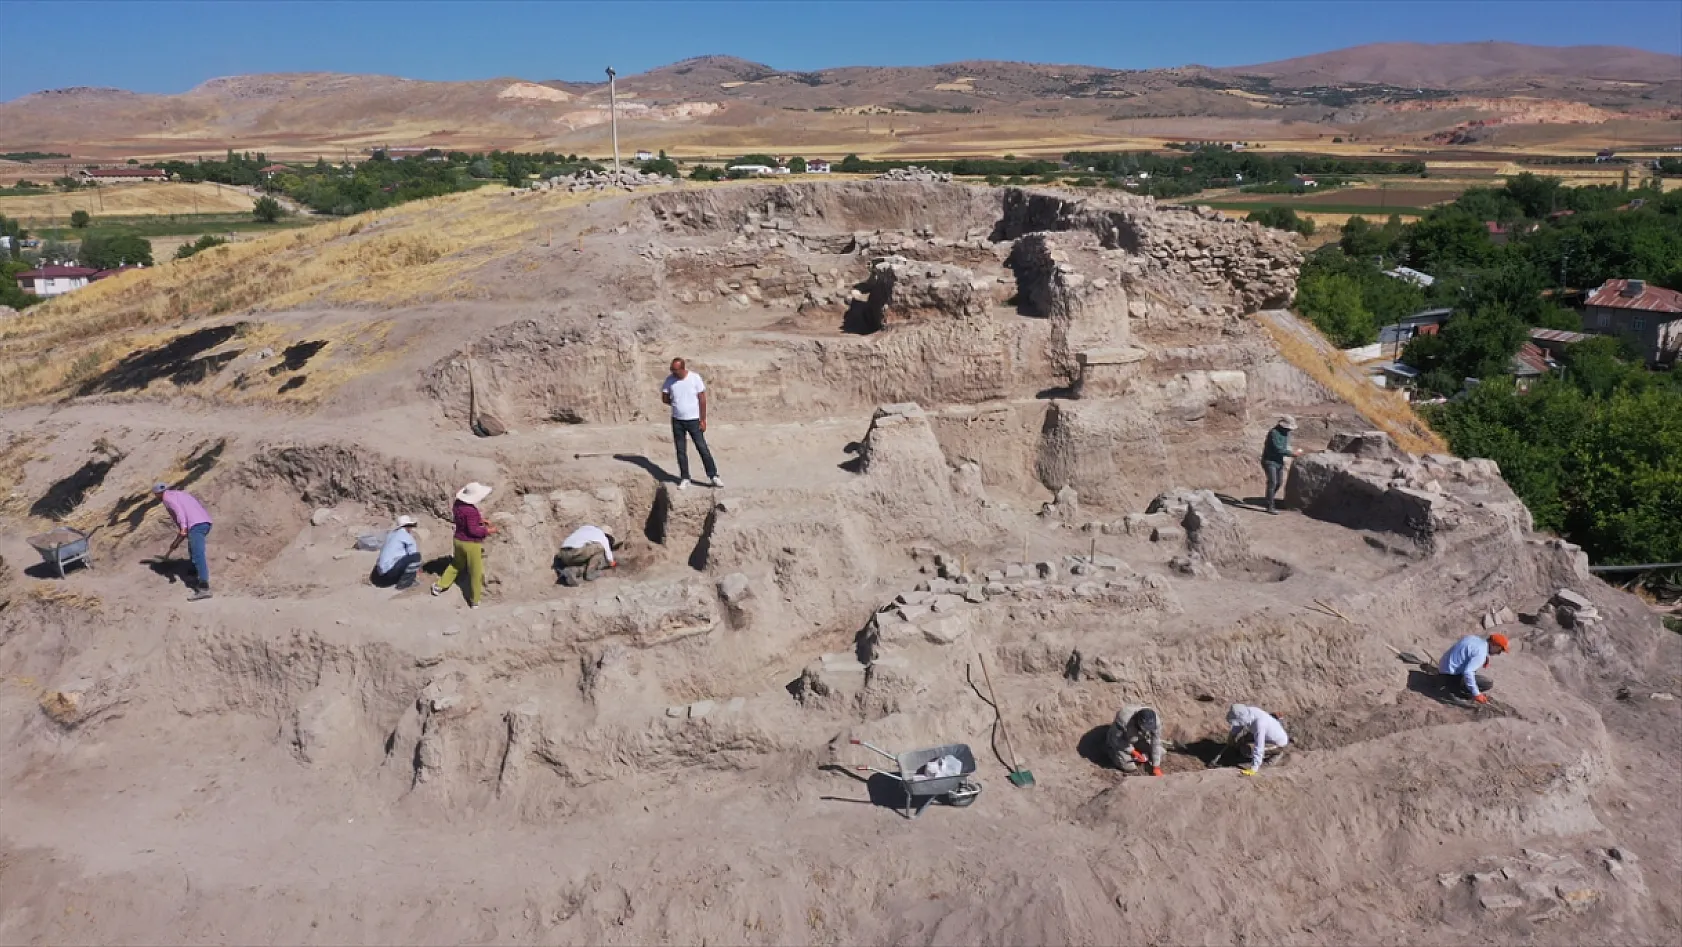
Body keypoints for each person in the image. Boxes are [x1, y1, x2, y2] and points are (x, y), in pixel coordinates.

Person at [433, 482, 497, 608]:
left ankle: (439, 586)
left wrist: (480, 520)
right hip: (471, 544)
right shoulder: (471, 510)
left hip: (458, 540)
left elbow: (464, 519)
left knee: (456, 564)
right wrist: (488, 531)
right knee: (475, 572)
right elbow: (473, 530)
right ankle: (475, 600)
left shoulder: (457, 505)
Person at [661, 357, 721, 490]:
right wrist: (677, 404)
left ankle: (713, 475)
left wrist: (703, 419)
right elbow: (665, 398)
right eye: (672, 369)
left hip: (694, 420)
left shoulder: (694, 378)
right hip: (677, 420)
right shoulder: (670, 380)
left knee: (702, 448)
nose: (673, 372)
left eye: (675, 370)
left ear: (682, 368)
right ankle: (685, 477)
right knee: (681, 450)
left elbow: (702, 399)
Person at [155, 482, 213, 602]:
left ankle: (204, 588)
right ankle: (193, 572)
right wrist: (182, 533)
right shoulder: (179, 494)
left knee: (198, 554)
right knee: (192, 549)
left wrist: (183, 529)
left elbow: (179, 513)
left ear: (157, 494)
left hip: (196, 524)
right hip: (204, 521)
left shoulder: (167, 498)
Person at [1438, 632, 1507, 703]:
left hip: (1443, 668)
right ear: (1494, 645)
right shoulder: (1481, 653)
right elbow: (1468, 672)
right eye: (1500, 650)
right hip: (1451, 676)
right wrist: (1477, 694)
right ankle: (1453, 692)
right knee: (1487, 683)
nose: (1498, 653)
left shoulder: (1473, 638)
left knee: (1474, 674)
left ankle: (1454, 687)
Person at [1226, 703, 1289, 777]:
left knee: (1247, 750)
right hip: (1266, 734)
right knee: (1241, 742)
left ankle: (1277, 754)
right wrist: (1232, 735)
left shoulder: (1259, 724)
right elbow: (1239, 723)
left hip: (1278, 743)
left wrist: (1253, 769)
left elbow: (1259, 747)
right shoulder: (1248, 712)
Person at [1261, 415, 1304, 514]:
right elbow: (1278, 449)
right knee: (1273, 482)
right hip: (1269, 461)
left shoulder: (1286, 434)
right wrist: (1292, 454)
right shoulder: (1273, 433)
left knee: (1279, 483)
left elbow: (1284, 447)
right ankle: (1270, 506)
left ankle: (1269, 499)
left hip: (1279, 461)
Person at [1107, 705, 1164, 776]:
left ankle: (1142, 756)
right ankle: (1111, 751)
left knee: (1161, 752)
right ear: (1138, 722)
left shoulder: (1156, 721)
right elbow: (1116, 739)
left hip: (1138, 738)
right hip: (1120, 740)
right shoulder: (1124, 719)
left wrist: (1156, 766)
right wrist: (1133, 751)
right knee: (1129, 767)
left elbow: (1155, 743)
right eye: (1145, 727)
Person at [371, 515, 423, 590]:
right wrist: (417, 570)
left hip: (378, 576)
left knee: (402, 560)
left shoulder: (391, 535)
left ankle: (398, 579)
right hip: (389, 574)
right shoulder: (406, 536)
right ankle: (405, 583)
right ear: (407, 526)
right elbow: (413, 553)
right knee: (416, 556)